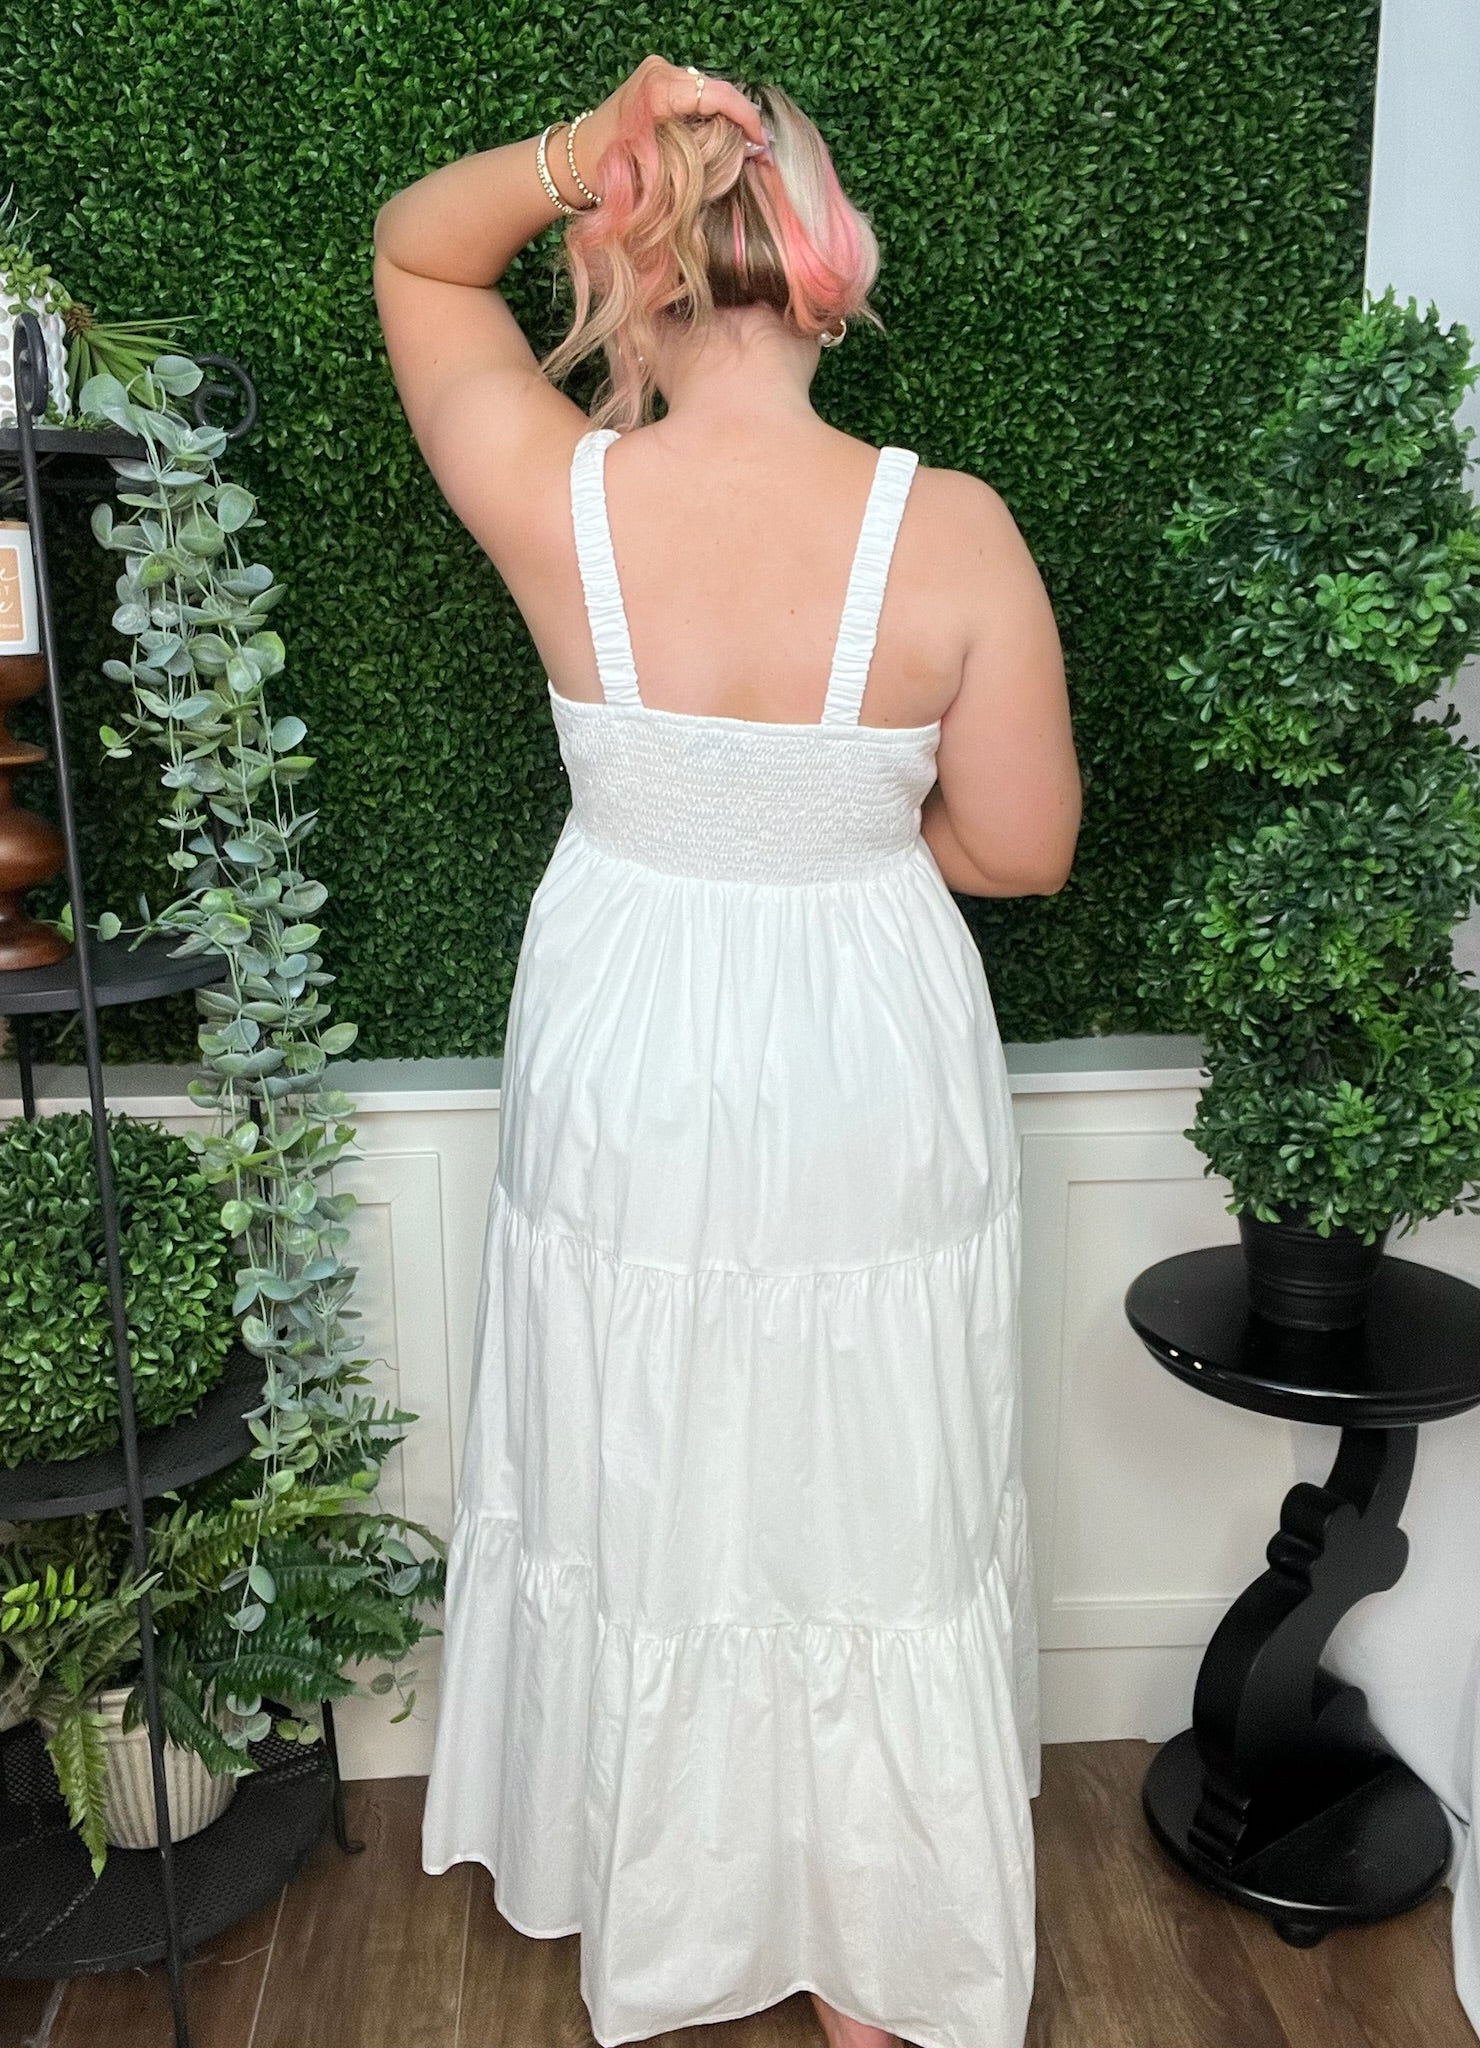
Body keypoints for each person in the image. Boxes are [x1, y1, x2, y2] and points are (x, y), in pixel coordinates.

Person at [373, 56, 1081, 2048]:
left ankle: (655, 1893)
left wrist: (572, 144)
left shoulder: (559, 496)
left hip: (630, 1024)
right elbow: (1022, 848)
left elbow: (415, 256)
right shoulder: (953, 531)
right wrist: (838, 837)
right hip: (868, 1029)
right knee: (872, 1469)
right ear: (828, 269)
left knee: (646, 1439)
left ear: (628, 268)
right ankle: (880, 1959)